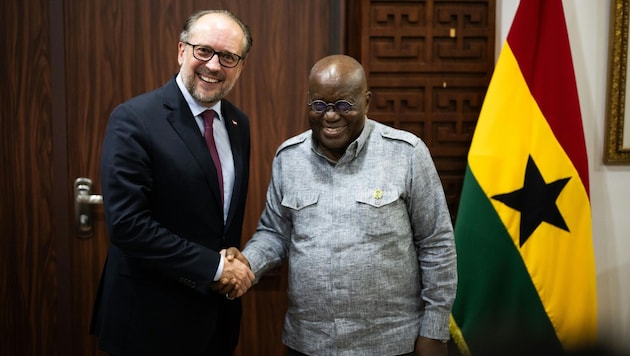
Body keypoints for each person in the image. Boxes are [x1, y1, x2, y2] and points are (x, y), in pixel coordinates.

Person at [228, 54, 458, 356]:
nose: (330, 116)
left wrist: (435, 330)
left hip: (390, 344)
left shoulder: (406, 154)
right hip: (309, 342)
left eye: (344, 105)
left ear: (367, 101)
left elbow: (436, 244)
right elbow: (274, 234)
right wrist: (245, 264)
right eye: (319, 105)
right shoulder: (289, 158)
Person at [90, 10, 255, 356]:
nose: (213, 65)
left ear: (240, 66)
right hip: (149, 321)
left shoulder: (238, 124)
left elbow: (219, 218)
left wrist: (229, 259)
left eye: (228, 56)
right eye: (203, 50)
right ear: (182, 50)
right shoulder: (135, 119)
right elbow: (127, 225)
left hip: (215, 320)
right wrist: (215, 267)